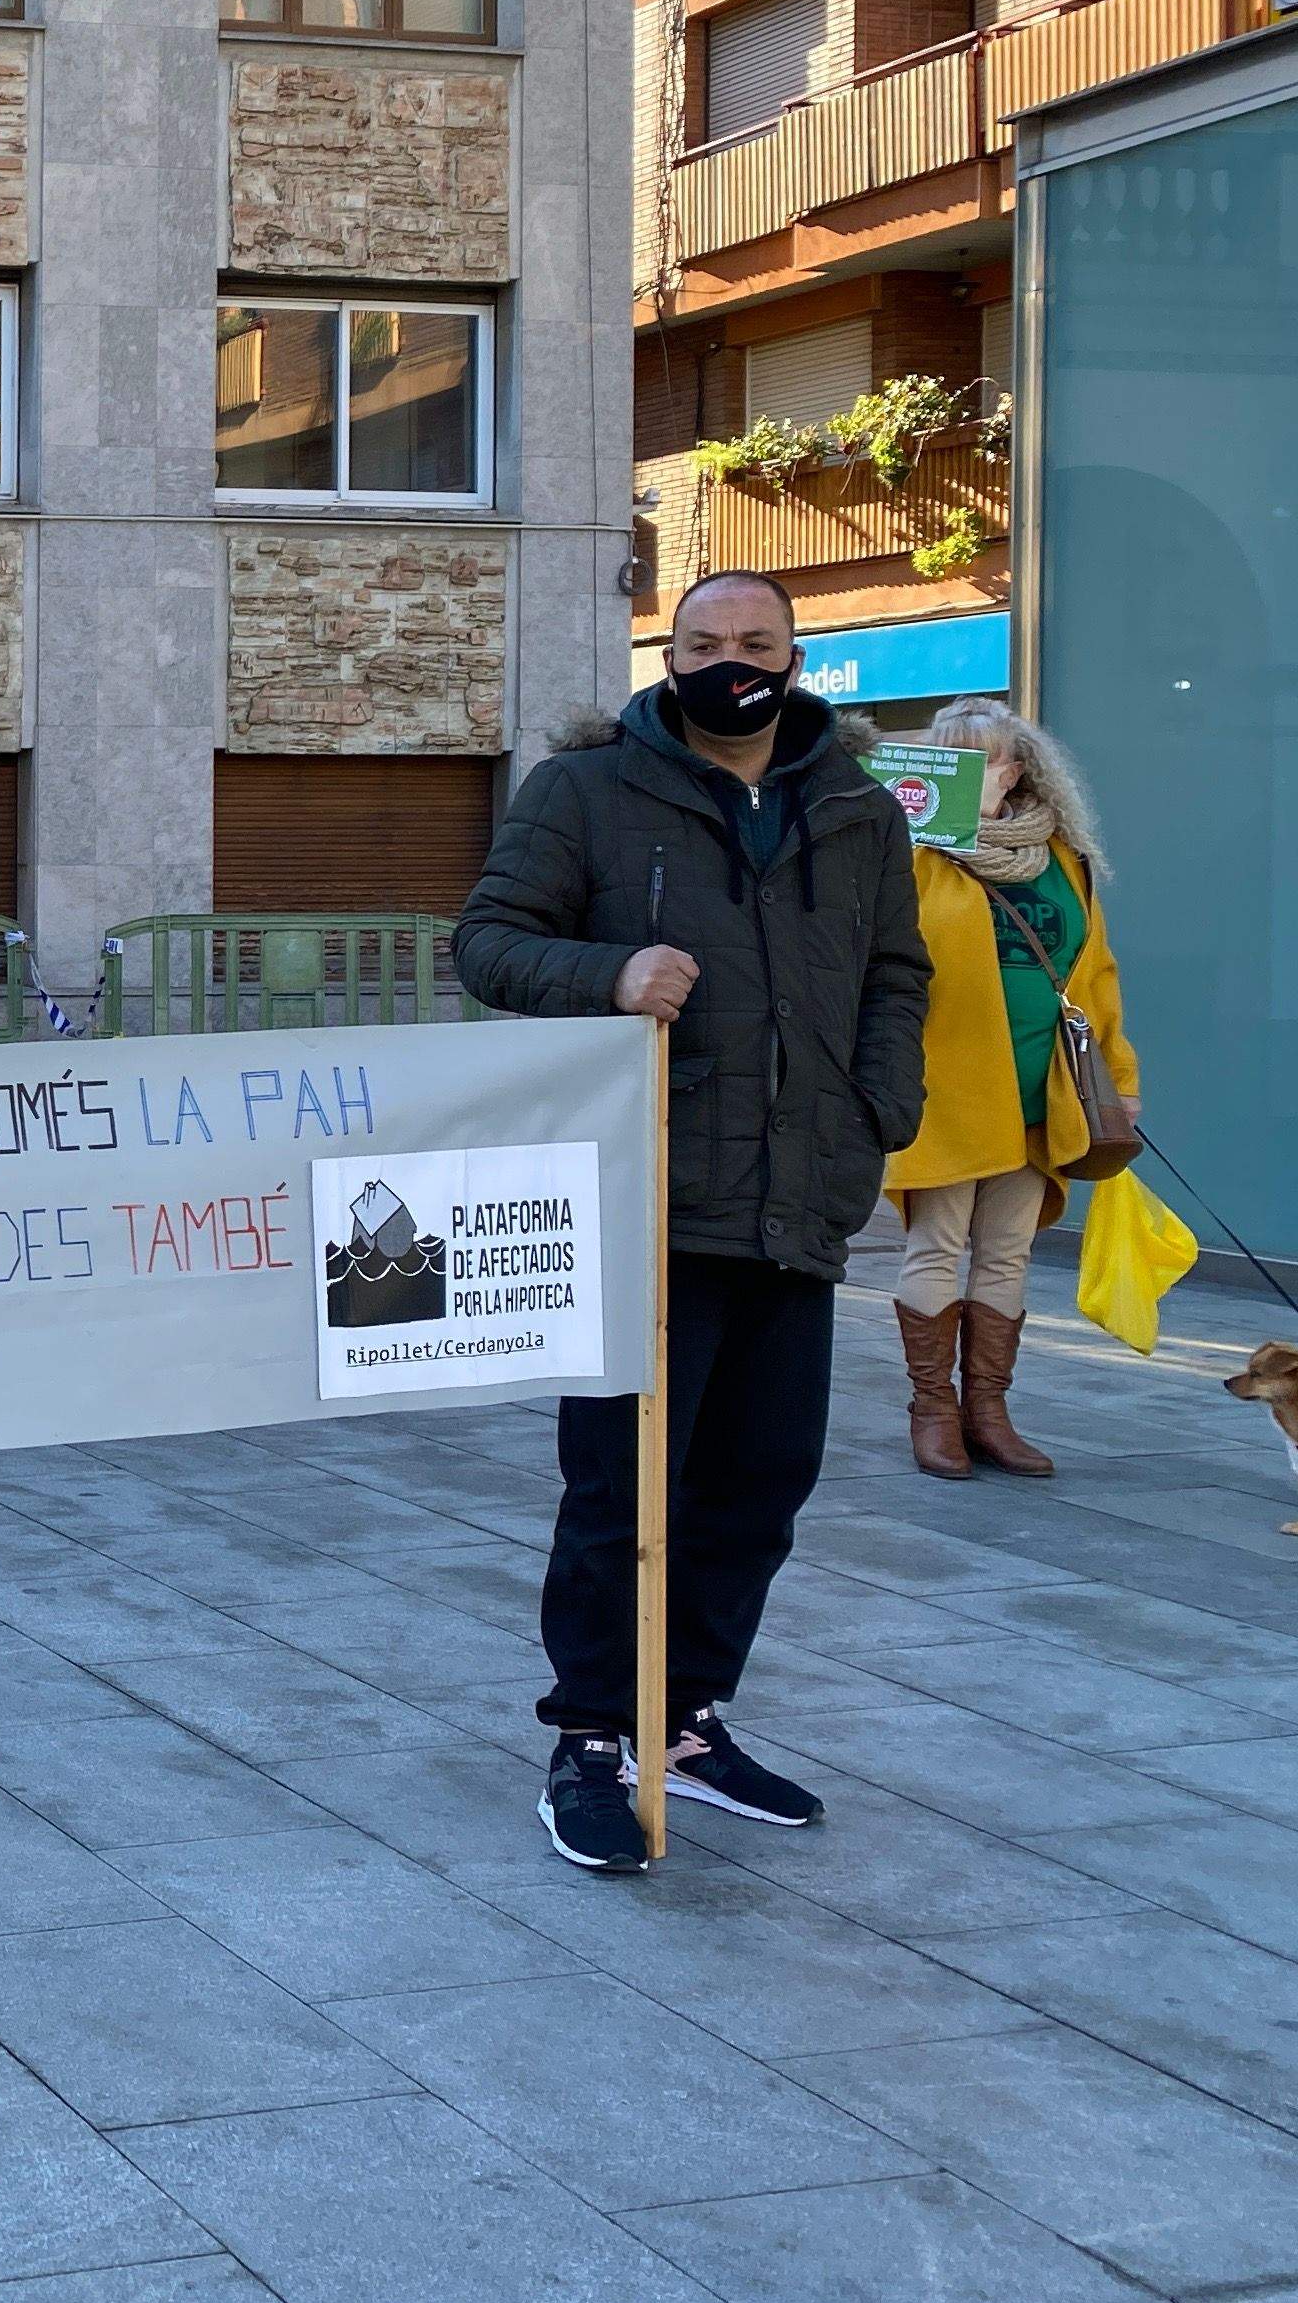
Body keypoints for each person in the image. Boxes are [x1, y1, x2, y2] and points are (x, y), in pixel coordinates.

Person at [456, 567, 928, 1874]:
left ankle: (686, 1719)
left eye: (757, 641)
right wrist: (607, 971)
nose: (734, 661)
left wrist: (883, 1102)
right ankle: (594, 1735)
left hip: (799, 1201)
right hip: (644, 1202)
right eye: (707, 641)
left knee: (763, 1481)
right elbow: (488, 941)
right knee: (624, 1490)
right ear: (670, 655)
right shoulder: (588, 791)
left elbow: (898, 969)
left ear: (795, 654)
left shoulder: (850, 809)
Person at [883, 699, 1135, 1482]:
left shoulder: (1064, 858)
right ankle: (933, 1411)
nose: (968, 772)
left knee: (1007, 1253)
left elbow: (1094, 976)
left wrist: (1119, 1082)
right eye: (949, 757)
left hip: (1044, 1087)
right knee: (937, 1243)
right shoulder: (912, 856)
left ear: (1017, 770)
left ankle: (989, 1410)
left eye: (983, 759)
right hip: (948, 1087)